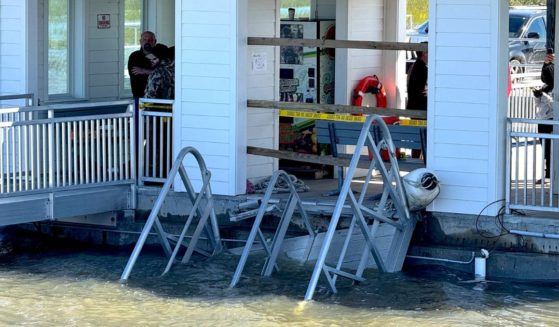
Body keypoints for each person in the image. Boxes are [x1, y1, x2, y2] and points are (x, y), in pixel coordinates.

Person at [533, 50, 555, 184]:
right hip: (542, 118)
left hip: (551, 118)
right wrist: (537, 96)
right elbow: (539, 104)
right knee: (545, 147)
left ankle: (553, 174)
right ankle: (547, 174)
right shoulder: (545, 86)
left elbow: (553, 104)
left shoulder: (555, 88)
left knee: (552, 147)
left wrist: (544, 96)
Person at [406, 42, 428, 159]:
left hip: (413, 108)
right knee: (422, 141)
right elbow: (423, 91)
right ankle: (418, 164)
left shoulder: (414, 66)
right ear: (425, 53)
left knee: (417, 140)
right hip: (420, 110)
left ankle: (415, 162)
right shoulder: (423, 69)